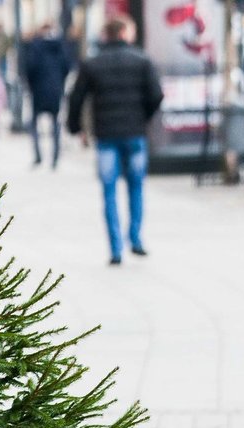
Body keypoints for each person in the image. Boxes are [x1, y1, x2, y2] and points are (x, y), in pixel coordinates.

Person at [67, 15, 164, 265]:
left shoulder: (92, 63)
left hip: (106, 136)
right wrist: (144, 117)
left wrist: (76, 127)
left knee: (109, 191)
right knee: (136, 187)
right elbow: (156, 95)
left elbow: (76, 98)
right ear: (123, 34)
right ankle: (136, 237)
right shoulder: (141, 61)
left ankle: (116, 248)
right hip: (135, 134)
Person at [24, 22, 72, 168]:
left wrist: (31, 85)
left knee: (34, 124)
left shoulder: (35, 46)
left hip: (38, 90)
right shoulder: (60, 46)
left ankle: (38, 155)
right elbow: (67, 67)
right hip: (55, 89)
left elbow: (29, 68)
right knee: (56, 123)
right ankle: (55, 156)